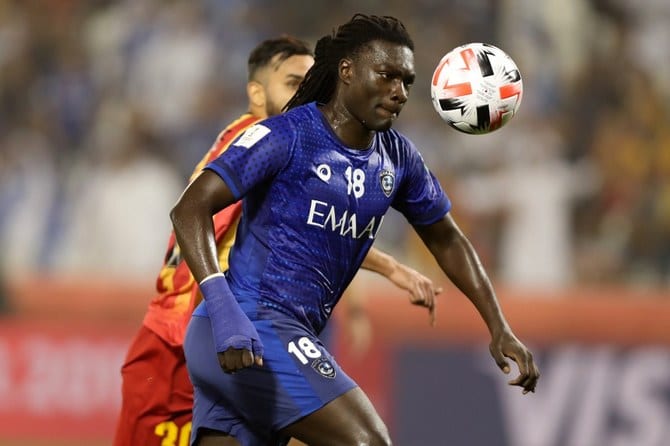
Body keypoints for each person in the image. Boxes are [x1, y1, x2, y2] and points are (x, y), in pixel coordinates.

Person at [172, 14, 540, 446]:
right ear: (346, 70)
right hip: (246, 326)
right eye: (386, 75)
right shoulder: (286, 136)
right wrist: (223, 308)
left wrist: (498, 326)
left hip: (274, 337)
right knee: (368, 440)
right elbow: (190, 209)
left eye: (407, 81)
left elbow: (446, 238)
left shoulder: (398, 159)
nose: (399, 92)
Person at [113, 35, 440, 446]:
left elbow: (315, 230)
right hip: (181, 340)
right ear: (257, 93)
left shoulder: (272, 138)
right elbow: (197, 215)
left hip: (219, 335)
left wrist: (386, 270)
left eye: (312, 82)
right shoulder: (264, 141)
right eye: (292, 83)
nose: (307, 94)